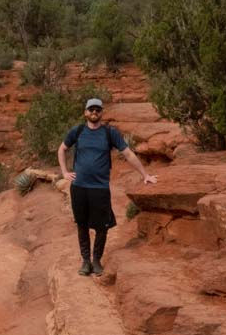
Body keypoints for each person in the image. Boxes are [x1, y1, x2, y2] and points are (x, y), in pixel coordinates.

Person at [58, 98, 157, 276]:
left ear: (102, 113)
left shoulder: (109, 133)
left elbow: (127, 153)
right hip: (79, 187)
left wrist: (145, 175)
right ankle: (86, 261)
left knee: (101, 226)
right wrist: (64, 172)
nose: (94, 112)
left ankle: (97, 260)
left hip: (99, 188)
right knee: (82, 224)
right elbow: (62, 149)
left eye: (97, 110)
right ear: (85, 112)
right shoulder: (78, 131)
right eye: (91, 109)